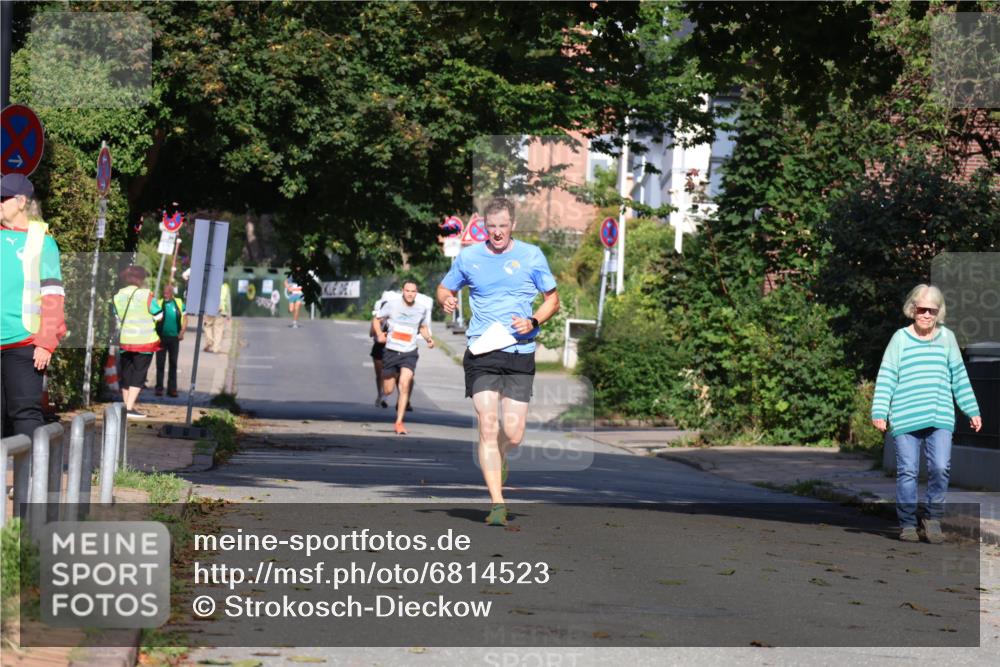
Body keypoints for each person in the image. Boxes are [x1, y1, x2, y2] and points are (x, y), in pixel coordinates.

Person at [436, 197, 559, 526]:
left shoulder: (531, 255)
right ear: (484, 228)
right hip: (482, 352)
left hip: (520, 352)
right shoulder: (469, 257)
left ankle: (501, 456)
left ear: (513, 225)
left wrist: (534, 321)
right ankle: (497, 503)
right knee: (488, 425)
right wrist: (446, 298)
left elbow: (552, 300)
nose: (497, 232)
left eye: (503, 226)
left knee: (514, 433)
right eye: (491, 227)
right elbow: (443, 288)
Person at [872, 284, 982, 543]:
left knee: (941, 467)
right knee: (908, 471)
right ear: (912, 309)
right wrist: (879, 410)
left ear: (939, 312)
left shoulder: (947, 338)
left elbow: (959, 378)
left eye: (932, 311)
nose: (926, 315)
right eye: (922, 309)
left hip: (939, 414)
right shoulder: (900, 338)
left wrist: (972, 409)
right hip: (905, 416)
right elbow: (887, 376)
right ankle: (908, 523)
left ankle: (932, 519)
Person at [1, 174, 66, 440]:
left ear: (21, 201)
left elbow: (53, 296)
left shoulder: (43, 242)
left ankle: (29, 481)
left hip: (25, 343)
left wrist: (46, 342)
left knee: (25, 414)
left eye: (2, 198)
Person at [374, 280, 433, 435]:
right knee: (388, 389)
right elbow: (377, 319)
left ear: (416, 293)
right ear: (403, 291)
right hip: (391, 351)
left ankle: (399, 422)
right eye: (407, 291)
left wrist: (428, 339)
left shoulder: (422, 309)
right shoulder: (392, 305)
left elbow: (423, 327)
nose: (410, 294)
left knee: (405, 383)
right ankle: (386, 386)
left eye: (413, 291)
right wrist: (380, 334)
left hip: (409, 352)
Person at [113, 265, 162, 419]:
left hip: (126, 340)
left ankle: (125, 407)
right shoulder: (145, 295)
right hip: (144, 341)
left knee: (126, 373)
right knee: (139, 373)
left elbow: (117, 317)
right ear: (140, 279)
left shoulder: (118, 296)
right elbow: (158, 315)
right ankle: (129, 408)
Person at [154, 283, 186, 397]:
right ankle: (159, 388)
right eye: (164, 292)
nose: (165, 294)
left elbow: (185, 318)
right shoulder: (159, 303)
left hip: (174, 338)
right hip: (161, 338)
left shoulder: (179, 302)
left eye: (168, 292)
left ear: (172, 293)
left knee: (173, 364)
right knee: (160, 364)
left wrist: (182, 332)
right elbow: (154, 319)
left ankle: (172, 389)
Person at [203, 281, 231, 353]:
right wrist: (229, 314)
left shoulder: (210, 285)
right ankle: (216, 348)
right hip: (222, 311)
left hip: (210, 309)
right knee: (218, 330)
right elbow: (228, 302)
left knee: (207, 326)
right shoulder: (225, 287)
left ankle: (210, 341)